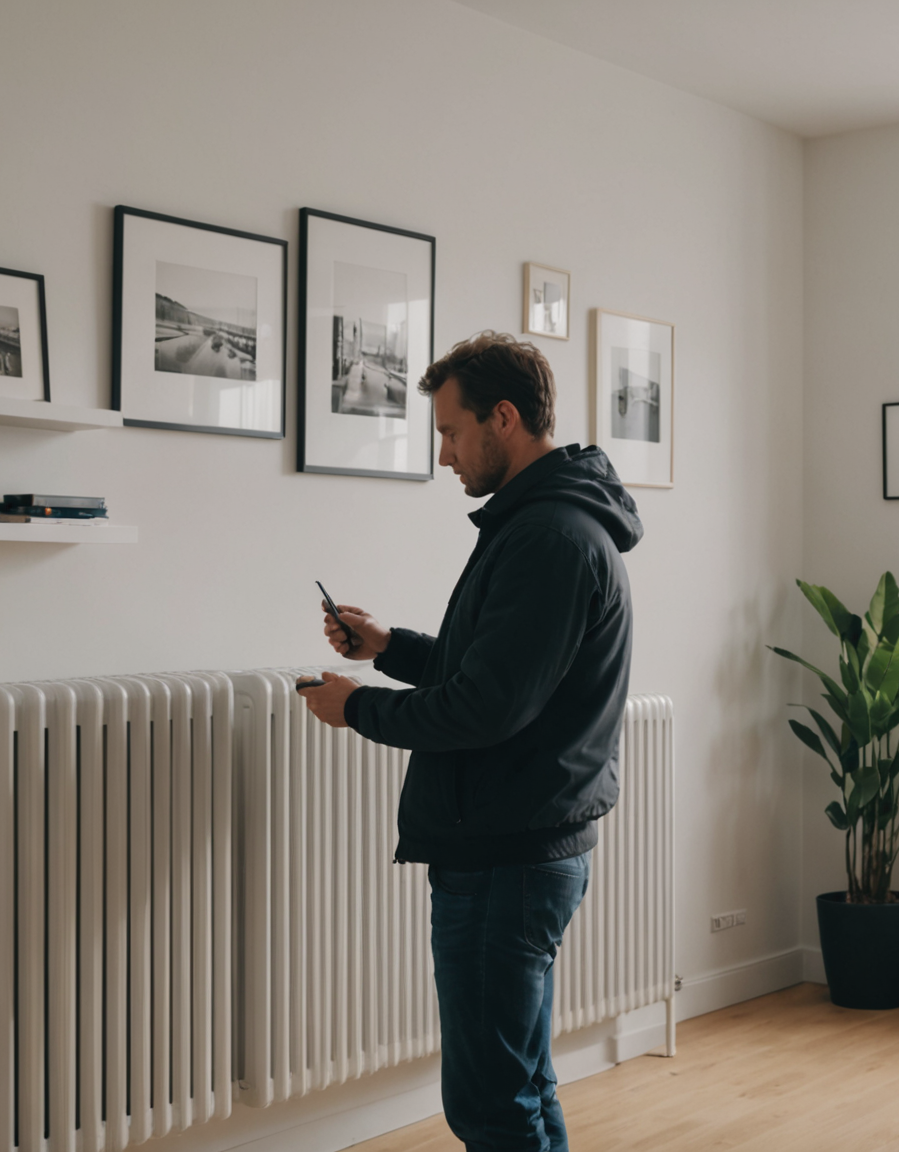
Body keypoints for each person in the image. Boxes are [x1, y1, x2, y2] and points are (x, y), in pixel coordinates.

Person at [298, 331, 642, 1152]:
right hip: (514, 845)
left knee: (491, 1103)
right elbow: (493, 672)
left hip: (505, 856)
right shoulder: (540, 527)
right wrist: (391, 646)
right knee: (518, 1081)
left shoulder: (549, 539)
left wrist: (358, 710)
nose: (445, 454)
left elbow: (484, 709)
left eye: (452, 432)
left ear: (506, 418)